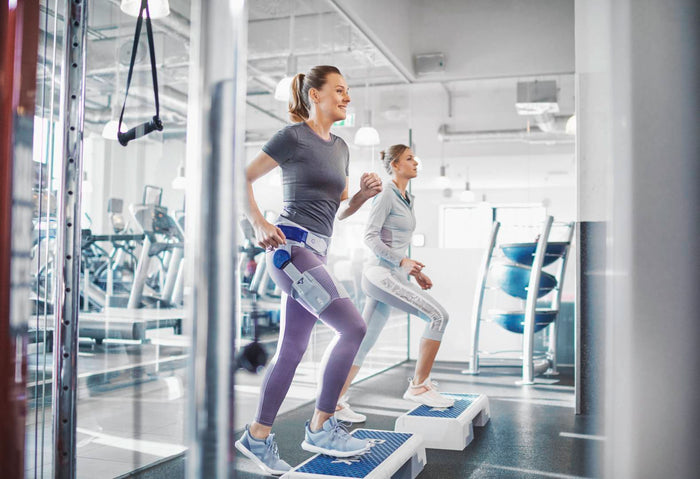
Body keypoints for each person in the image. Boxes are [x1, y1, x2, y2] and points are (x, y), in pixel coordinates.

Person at [235, 65, 383, 475]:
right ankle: (321, 425)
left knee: (293, 350)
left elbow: (340, 208)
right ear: (314, 95)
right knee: (353, 328)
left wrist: (363, 197)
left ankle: (257, 437)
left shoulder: (341, 147)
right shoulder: (292, 137)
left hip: (318, 250)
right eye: (339, 90)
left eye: (348, 90)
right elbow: (241, 176)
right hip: (291, 248)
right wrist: (258, 222)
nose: (346, 97)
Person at [334, 144, 454, 424]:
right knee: (438, 316)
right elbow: (370, 237)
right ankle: (419, 386)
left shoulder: (406, 197)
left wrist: (412, 270)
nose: (416, 162)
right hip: (379, 275)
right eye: (410, 159)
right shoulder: (387, 193)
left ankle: (335, 400)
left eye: (415, 158)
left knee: (362, 342)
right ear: (396, 165)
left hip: (393, 276)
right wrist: (402, 262)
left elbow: (396, 242)